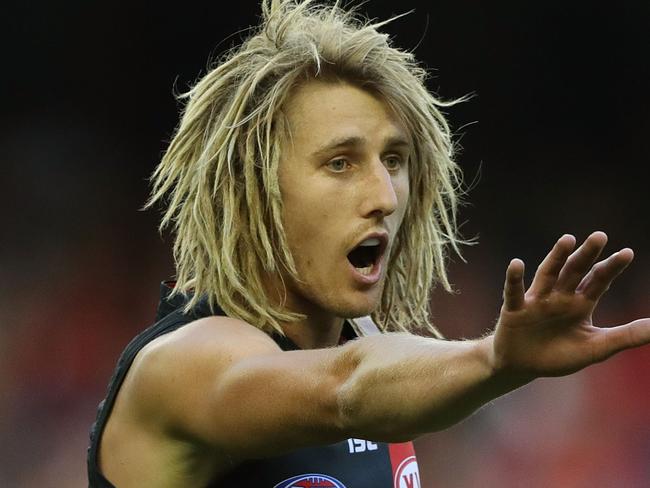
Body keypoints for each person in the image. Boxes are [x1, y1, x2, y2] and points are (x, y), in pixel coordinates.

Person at [87, 1, 650, 486]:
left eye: (395, 161)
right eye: (340, 163)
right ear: (253, 188)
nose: (383, 194)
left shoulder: (372, 345)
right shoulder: (182, 365)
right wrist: (495, 359)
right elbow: (344, 388)